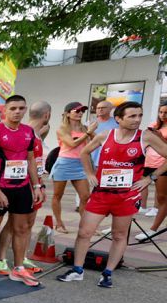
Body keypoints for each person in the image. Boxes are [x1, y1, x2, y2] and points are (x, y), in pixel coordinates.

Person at [59, 102, 167, 287]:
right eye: (132, 116)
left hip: (126, 196)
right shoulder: (105, 135)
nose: (137, 120)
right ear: (118, 119)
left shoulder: (145, 136)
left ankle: (108, 273)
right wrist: (90, 174)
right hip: (101, 194)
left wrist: (151, 178)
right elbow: (84, 152)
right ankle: (77, 270)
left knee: (119, 235)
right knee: (84, 232)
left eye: (139, 115)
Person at [0, 95, 42, 287]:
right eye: (13, 108)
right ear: (5, 110)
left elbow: (30, 160)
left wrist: (36, 186)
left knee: (21, 229)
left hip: (22, 188)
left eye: (21, 108)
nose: (17, 112)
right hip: (1, 188)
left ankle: (19, 267)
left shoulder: (28, 132)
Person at [50, 102, 91, 233]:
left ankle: (86, 225)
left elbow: (92, 144)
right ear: (68, 113)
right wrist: (88, 133)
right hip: (64, 163)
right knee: (57, 195)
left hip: (79, 164)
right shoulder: (62, 129)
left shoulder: (85, 128)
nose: (80, 113)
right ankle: (59, 223)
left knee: (85, 196)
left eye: (82, 111)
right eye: (76, 111)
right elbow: (72, 144)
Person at [136, 100, 167, 238]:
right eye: (161, 112)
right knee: (133, 193)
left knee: (162, 198)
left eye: (166, 112)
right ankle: (119, 225)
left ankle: (153, 229)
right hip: (147, 162)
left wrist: (161, 138)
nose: (163, 115)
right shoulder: (154, 125)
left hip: (163, 165)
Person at [87, 100, 118, 166]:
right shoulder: (89, 123)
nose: (100, 109)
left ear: (110, 109)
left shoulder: (117, 123)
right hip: (92, 158)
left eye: (103, 107)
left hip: (110, 159)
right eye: (98, 108)